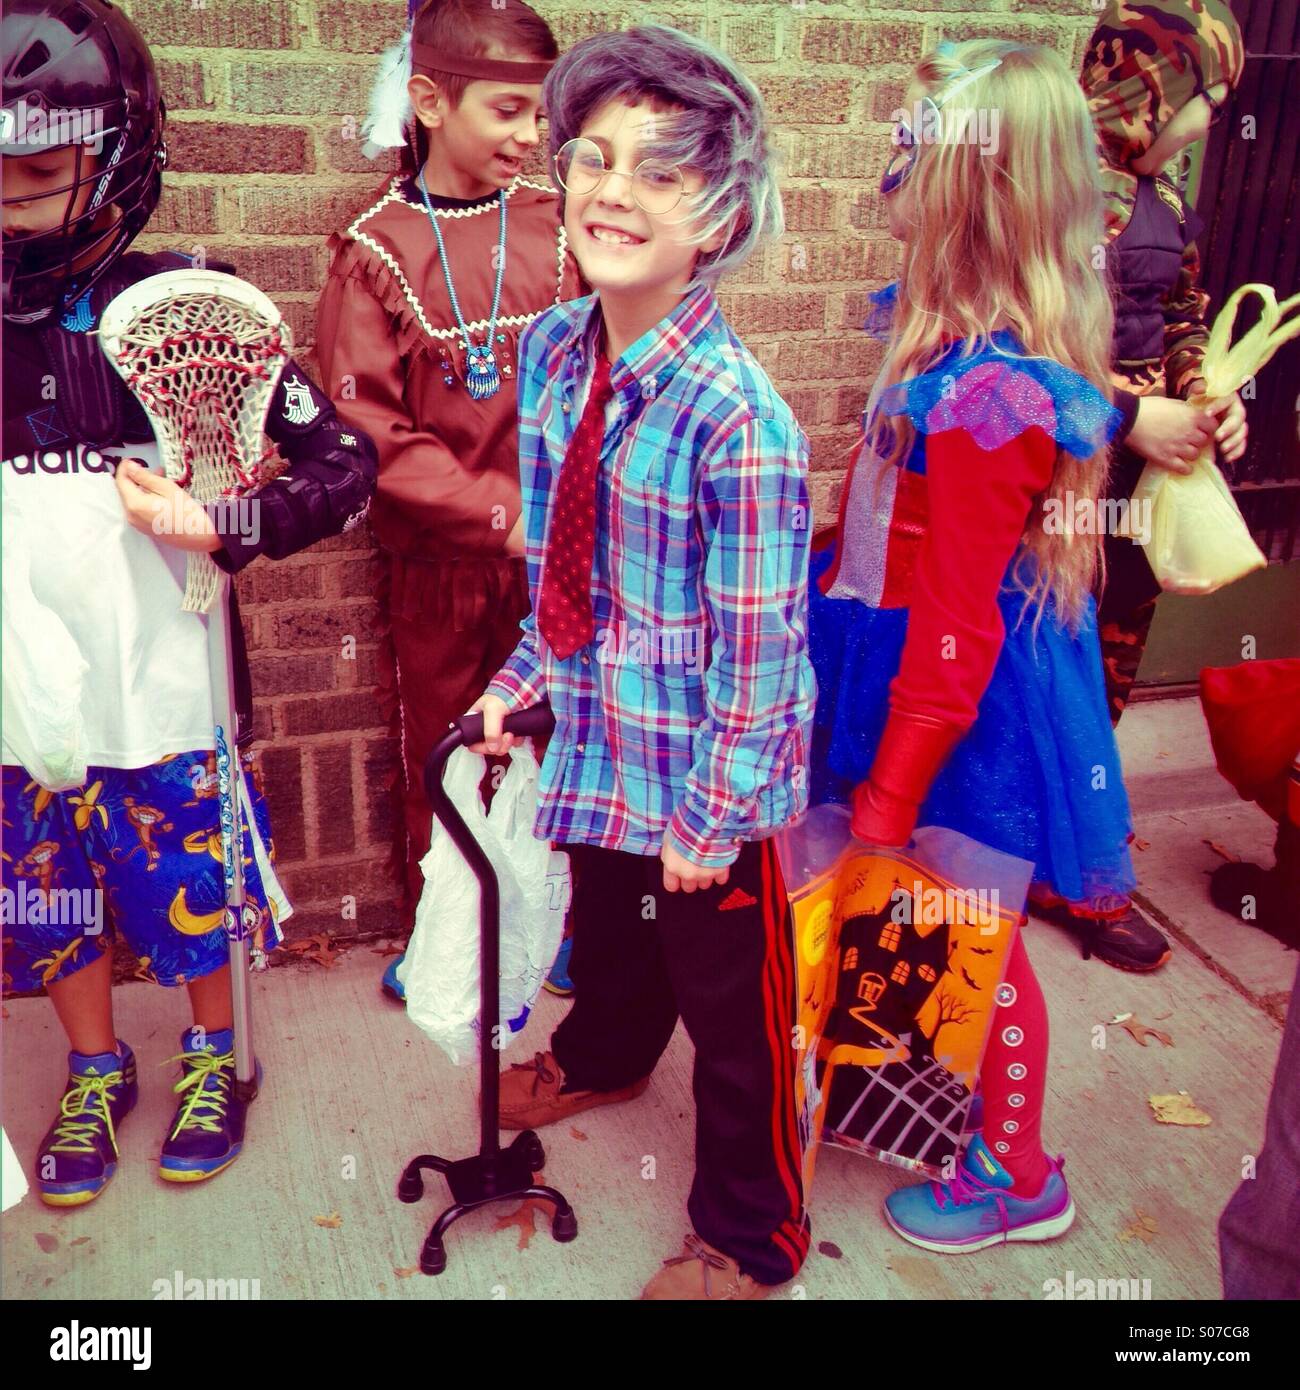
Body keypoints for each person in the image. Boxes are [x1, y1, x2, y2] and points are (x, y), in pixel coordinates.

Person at [1, 0, 376, 1205]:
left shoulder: (190, 313)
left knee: (186, 890)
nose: (11, 193)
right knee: (49, 894)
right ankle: (95, 1065)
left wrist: (223, 520)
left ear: (115, 154)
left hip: (162, 682)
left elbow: (343, 465)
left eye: (40, 166)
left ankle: (216, 1051)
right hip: (22, 692)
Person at [469, 24, 816, 1299]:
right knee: (611, 928)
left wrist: (714, 818)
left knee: (734, 1018)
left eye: (660, 172)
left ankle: (749, 1230)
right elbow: (564, 573)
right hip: (608, 731)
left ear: (717, 218)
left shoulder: (742, 424)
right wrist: (520, 685)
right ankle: (607, 1051)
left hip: (712, 772)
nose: (614, 189)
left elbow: (764, 657)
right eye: (595, 158)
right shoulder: (555, 350)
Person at [810, 39, 1131, 1251]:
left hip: (956, 702)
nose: (897, 162)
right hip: (914, 670)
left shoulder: (993, 392)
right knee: (938, 926)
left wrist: (890, 790)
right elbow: (907, 528)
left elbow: (959, 613)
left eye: (919, 145)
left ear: (980, 189)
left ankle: (1018, 1173)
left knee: (971, 937)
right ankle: (948, 1116)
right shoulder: (950, 348)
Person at [316, 0, 580, 1002]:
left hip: (569, 556)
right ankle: (454, 933)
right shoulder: (376, 252)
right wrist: (505, 517)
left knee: (566, 731)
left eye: (539, 114)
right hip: (445, 563)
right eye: (508, 110)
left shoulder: (568, 226)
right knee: (447, 738)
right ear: (428, 100)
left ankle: (557, 919)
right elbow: (368, 432)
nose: (529, 136)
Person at [1028, 0, 1250, 971]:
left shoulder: (1165, 202)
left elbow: (1184, 310)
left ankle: (1077, 835)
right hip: (1055, 485)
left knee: (1109, 661)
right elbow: (1010, 351)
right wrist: (1125, 413)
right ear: (1141, 90)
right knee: (1044, 664)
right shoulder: (1047, 198)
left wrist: (1206, 391)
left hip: (1139, 489)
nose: (1207, 122)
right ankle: (1050, 861)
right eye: (1198, 98)